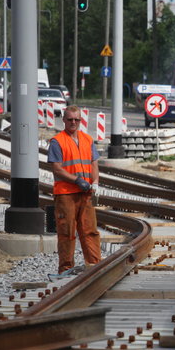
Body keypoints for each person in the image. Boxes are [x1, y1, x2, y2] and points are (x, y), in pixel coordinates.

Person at [48, 106, 102, 274]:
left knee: (90, 231)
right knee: (66, 232)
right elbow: (57, 169)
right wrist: (77, 180)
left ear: (80, 120)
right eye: (70, 119)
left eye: (76, 120)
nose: (73, 123)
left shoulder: (88, 139)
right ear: (63, 120)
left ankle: (94, 266)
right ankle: (65, 270)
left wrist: (96, 182)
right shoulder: (57, 141)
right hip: (66, 194)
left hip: (86, 194)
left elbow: (94, 164)